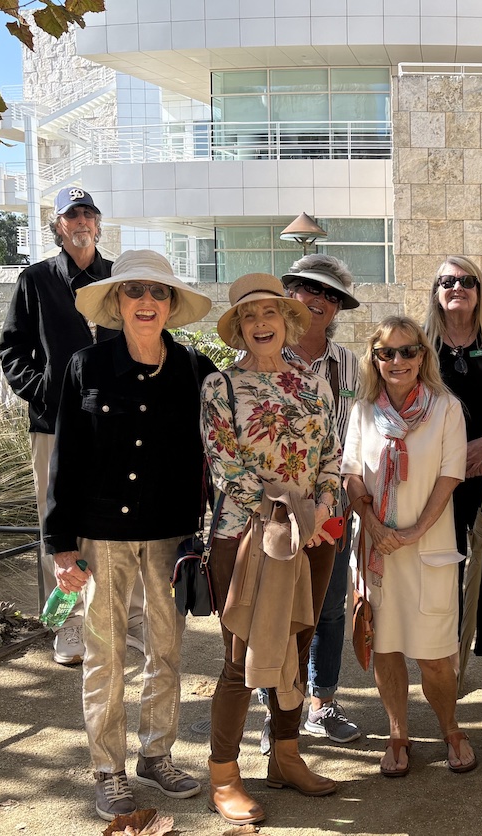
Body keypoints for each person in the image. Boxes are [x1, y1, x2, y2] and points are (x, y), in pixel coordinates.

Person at [43, 250, 215, 821]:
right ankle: (108, 769)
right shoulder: (85, 367)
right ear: (117, 302)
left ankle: (157, 754)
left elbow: (221, 450)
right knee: (105, 655)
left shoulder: (195, 369)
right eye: (134, 290)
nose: (146, 301)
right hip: (102, 534)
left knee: (166, 650)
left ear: (170, 305)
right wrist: (60, 545)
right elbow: (65, 458)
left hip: (171, 536)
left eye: (158, 292)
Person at [202, 273, 341, 826]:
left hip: (314, 536)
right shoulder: (220, 388)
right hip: (246, 537)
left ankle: (287, 757)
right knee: (241, 661)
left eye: (271, 314)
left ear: (287, 322)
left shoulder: (313, 381)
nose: (261, 324)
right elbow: (224, 465)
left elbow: (332, 451)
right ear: (239, 329)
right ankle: (224, 775)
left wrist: (322, 510)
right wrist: (280, 512)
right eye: (250, 317)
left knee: (297, 651)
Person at [0, 187, 146, 666]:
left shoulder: (120, 278)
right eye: (71, 214)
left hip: (115, 421)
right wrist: (44, 390)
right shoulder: (35, 279)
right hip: (53, 423)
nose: (81, 220)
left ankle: (128, 616)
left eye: (88, 212)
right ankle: (68, 624)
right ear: (58, 226)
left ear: (99, 224)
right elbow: (12, 348)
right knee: (56, 517)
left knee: (121, 512)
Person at [342, 316, 475, 777]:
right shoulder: (362, 410)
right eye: (386, 353)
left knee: (436, 657)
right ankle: (398, 732)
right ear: (374, 360)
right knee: (387, 648)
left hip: (428, 546)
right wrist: (373, 523)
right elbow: (352, 472)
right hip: (378, 552)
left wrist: (416, 530)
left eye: (407, 351)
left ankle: (450, 726)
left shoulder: (445, 408)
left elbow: (450, 474)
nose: (397, 361)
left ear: (423, 355)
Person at [423, 256, 482, 710]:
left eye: (467, 281)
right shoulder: (420, 346)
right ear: (436, 291)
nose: (457, 287)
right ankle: (449, 669)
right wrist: (448, 459)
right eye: (447, 281)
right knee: (444, 570)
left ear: (480, 290)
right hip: (438, 478)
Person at [278, 255, 361, 746]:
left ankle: (322, 703)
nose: (318, 300)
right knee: (278, 608)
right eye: (309, 288)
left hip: (333, 506)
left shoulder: (349, 363)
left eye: (330, 294)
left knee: (330, 605)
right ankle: (277, 709)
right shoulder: (264, 351)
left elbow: (353, 432)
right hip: (278, 509)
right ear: (289, 292)